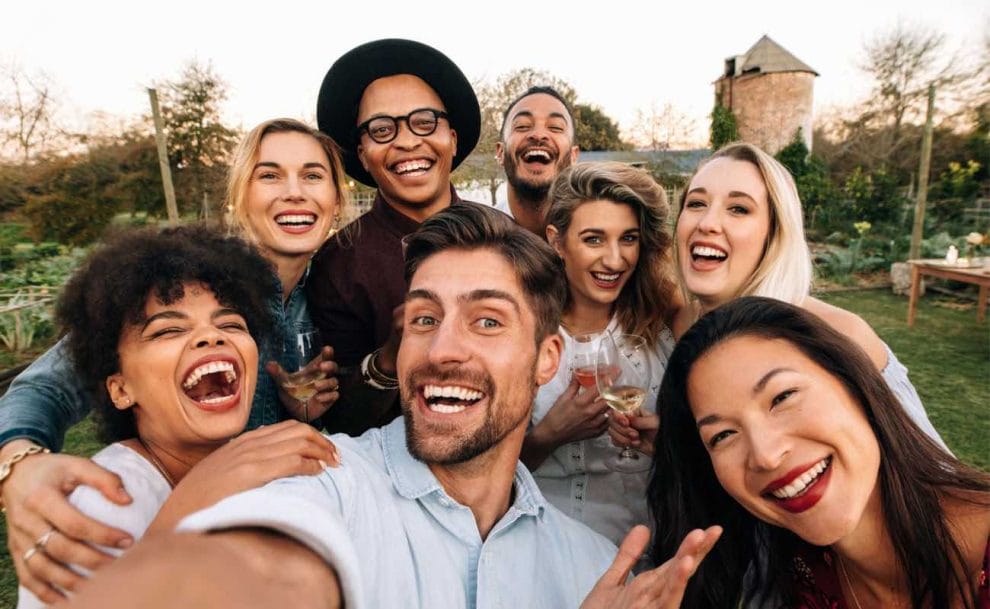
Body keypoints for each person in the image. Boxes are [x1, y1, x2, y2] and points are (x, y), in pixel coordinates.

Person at [61, 205, 724, 609]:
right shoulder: (320, 480)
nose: (443, 348)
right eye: (424, 316)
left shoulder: (594, 569)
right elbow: (258, 569)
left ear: (548, 358)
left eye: (488, 321)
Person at [0, 118, 347, 601]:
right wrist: (17, 464)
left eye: (312, 175)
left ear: (336, 198)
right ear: (239, 196)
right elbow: (47, 386)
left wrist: (299, 408)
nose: (294, 192)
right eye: (269, 175)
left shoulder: (331, 295)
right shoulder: (185, 283)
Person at [647, 296, 990, 609]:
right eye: (722, 435)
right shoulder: (801, 574)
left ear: (855, 384)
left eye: (782, 397)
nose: (765, 455)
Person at [609, 142, 949, 454]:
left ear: (774, 233)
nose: (708, 223)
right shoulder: (684, 326)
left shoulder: (838, 335)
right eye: (696, 203)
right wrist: (672, 446)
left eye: (739, 209)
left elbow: (932, 473)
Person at [306, 38, 483, 436]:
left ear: (452, 139)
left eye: (424, 122)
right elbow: (337, 420)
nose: (406, 141)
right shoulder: (338, 263)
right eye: (382, 129)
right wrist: (388, 358)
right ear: (363, 153)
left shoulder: (507, 239)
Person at [520, 162, 678, 547]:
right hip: (549, 547)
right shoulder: (524, 336)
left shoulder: (663, 329)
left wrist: (664, 445)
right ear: (557, 241)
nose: (614, 259)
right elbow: (476, 473)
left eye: (628, 239)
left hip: (653, 542)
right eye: (593, 239)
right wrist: (550, 435)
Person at [494, 85, 580, 234]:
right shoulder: (476, 239)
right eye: (522, 126)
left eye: (556, 127)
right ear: (501, 153)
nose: (538, 135)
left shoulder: (595, 237)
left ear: (573, 156)